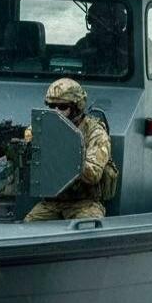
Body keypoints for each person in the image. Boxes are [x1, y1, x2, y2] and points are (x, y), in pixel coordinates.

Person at [24, 78, 114, 222]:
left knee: (88, 229)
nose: (56, 112)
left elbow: (93, 173)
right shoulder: (43, 127)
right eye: (52, 106)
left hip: (84, 203)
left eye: (62, 107)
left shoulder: (95, 132)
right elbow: (28, 146)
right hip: (51, 202)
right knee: (29, 229)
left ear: (77, 107)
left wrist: (61, 153)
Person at [75, 1, 130, 76]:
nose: (95, 26)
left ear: (117, 22)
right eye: (94, 21)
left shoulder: (132, 43)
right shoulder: (84, 45)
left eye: (101, 21)